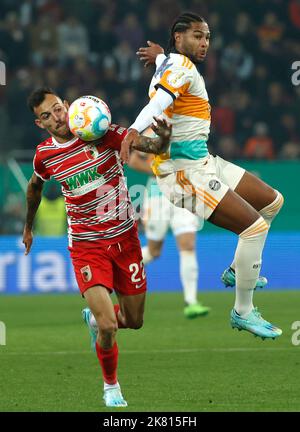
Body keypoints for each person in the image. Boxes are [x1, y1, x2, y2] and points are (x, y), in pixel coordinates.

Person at [120, 12, 284, 340]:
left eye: (207, 37)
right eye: (197, 36)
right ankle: (243, 311)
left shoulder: (170, 64)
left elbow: (168, 74)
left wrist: (160, 55)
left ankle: (238, 270)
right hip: (183, 173)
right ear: (178, 37)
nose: (205, 43)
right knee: (254, 229)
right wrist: (133, 131)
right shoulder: (180, 68)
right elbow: (162, 101)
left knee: (273, 201)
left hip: (205, 162)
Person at [22, 87, 171, 408]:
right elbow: (35, 187)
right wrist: (27, 227)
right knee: (108, 326)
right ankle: (111, 386)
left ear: (67, 105)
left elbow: (154, 148)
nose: (56, 117)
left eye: (58, 108)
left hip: (126, 240)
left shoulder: (101, 133)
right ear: (40, 123)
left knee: (134, 321)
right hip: (87, 246)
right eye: (47, 115)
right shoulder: (44, 155)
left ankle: (93, 319)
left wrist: (164, 138)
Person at [129, 149, 211, 318]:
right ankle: (120, 268)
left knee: (188, 245)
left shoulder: (189, 127)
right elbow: (134, 160)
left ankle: (191, 302)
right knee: (153, 252)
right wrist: (161, 172)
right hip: (157, 197)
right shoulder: (153, 131)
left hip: (185, 194)